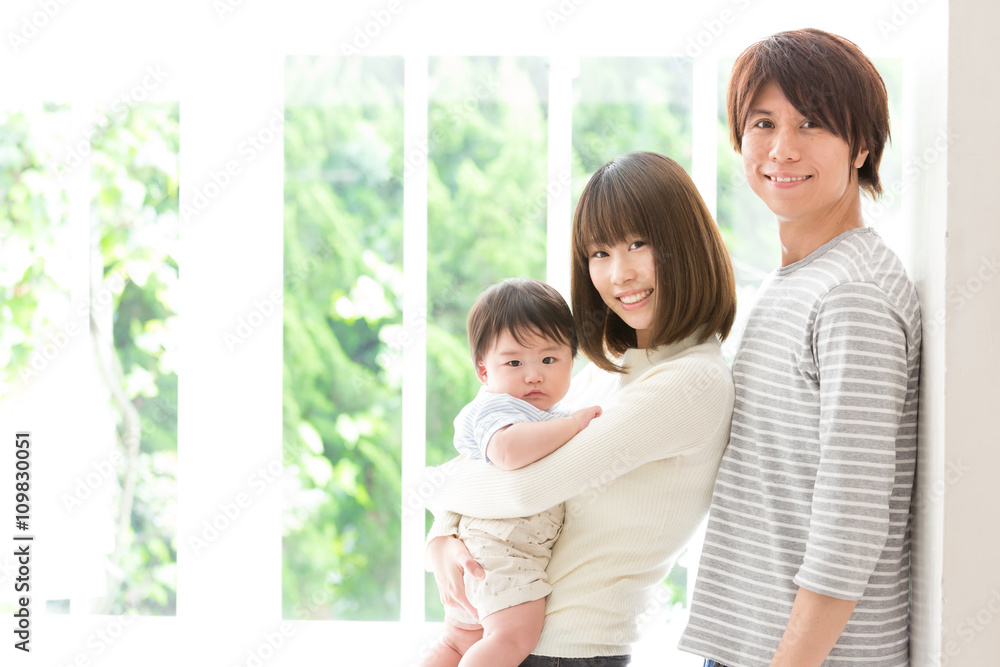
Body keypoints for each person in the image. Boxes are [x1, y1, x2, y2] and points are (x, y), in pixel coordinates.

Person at [421, 151, 738, 666]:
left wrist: (432, 493)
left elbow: (525, 485)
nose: (620, 274)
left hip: (567, 653)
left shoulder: (691, 383)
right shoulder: (610, 367)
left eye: (639, 243)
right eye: (599, 252)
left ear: (686, 244)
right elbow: (501, 457)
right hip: (509, 635)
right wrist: (441, 540)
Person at [678, 29, 921, 667]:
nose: (782, 148)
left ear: (861, 145)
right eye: (763, 122)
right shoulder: (798, 280)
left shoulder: (853, 296)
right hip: (750, 647)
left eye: (811, 122)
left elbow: (851, 521)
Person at [424, 277, 603, 667]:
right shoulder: (498, 408)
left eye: (549, 359)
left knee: (456, 644)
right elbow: (507, 451)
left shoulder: (539, 412)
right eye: (514, 362)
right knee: (513, 636)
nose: (533, 374)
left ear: (572, 359)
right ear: (484, 371)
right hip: (502, 552)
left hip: (483, 551)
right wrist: (572, 426)